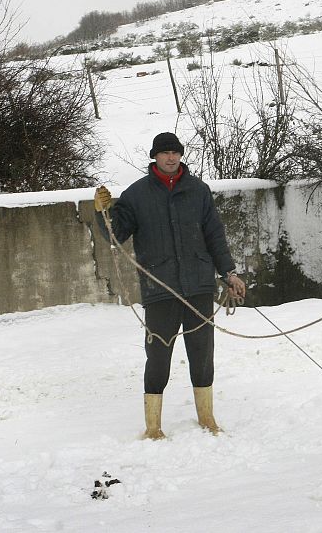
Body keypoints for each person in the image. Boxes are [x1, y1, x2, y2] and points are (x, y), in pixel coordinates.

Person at [93, 131, 246, 440]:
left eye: (175, 152)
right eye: (164, 153)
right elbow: (115, 236)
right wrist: (102, 213)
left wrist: (228, 272)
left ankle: (207, 417)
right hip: (159, 287)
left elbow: (214, 234)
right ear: (155, 156)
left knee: (202, 353)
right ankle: (153, 426)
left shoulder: (197, 190)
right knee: (158, 355)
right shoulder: (136, 195)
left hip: (199, 285)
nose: (171, 157)